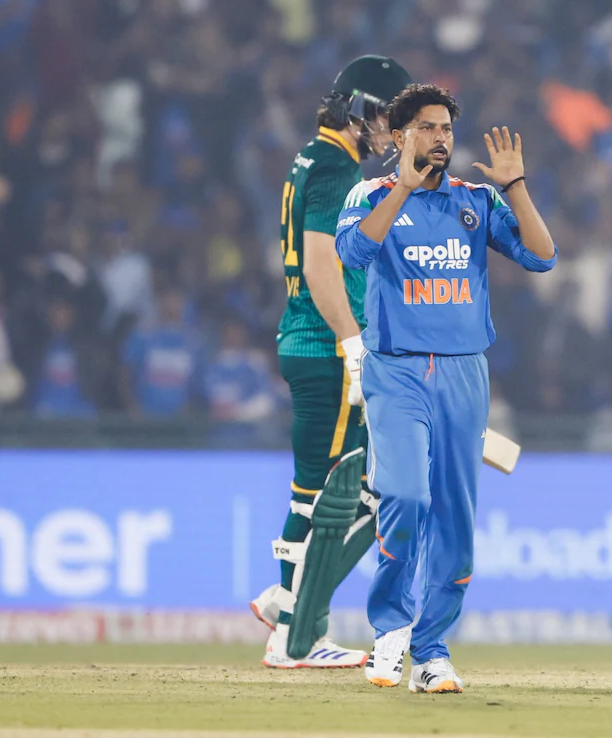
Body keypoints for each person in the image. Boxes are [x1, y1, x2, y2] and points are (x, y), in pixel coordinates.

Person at [335, 83, 557, 693]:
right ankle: (390, 630)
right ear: (400, 136)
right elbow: (352, 252)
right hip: (396, 370)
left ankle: (432, 650)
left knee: (455, 518)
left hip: (463, 373)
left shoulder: (475, 199)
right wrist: (403, 189)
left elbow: (542, 256)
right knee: (406, 497)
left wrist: (515, 186)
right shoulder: (370, 194)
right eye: (428, 128)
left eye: (447, 129)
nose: (441, 139)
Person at [250, 55, 413, 669]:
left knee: (312, 491)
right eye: (389, 117)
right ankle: (295, 630)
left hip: (305, 339)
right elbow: (322, 266)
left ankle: (284, 602)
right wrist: (352, 345)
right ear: (361, 109)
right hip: (325, 345)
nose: (392, 133)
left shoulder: (311, 158)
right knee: (340, 495)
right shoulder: (336, 167)